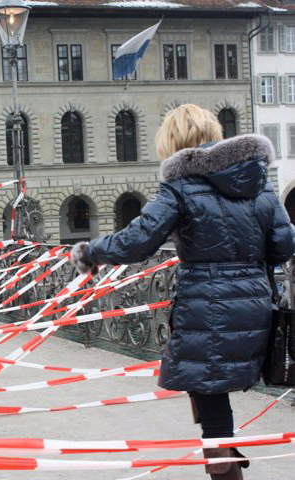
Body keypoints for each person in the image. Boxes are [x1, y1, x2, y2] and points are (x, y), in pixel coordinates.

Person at [70, 105, 295, 479]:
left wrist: (88, 252)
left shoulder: (180, 184)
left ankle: (224, 466)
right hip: (255, 304)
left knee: (211, 404)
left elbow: (138, 240)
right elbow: (284, 246)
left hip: (206, 306)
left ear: (173, 142)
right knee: (214, 399)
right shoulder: (259, 182)